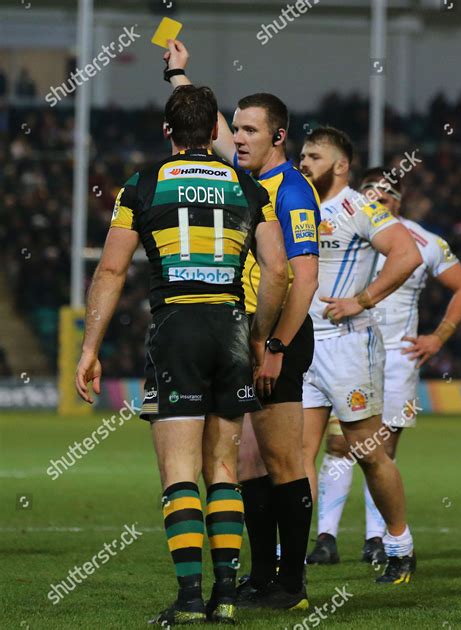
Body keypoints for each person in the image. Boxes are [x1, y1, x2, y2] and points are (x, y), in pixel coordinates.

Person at [75, 84, 289, 625]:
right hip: (231, 327)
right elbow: (278, 271)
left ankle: (191, 600)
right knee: (222, 468)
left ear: (168, 131)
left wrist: (89, 349)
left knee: (178, 469)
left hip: (177, 329)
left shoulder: (142, 186)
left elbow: (110, 271)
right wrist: (260, 335)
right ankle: (226, 598)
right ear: (214, 131)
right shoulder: (249, 186)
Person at [163, 40, 320, 609]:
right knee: (250, 461)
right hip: (248, 337)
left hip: (280, 339)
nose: (240, 140)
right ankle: (260, 576)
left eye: (251, 132)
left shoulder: (293, 191)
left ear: (278, 137)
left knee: (282, 460)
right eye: (238, 132)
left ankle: (294, 584)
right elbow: (204, 129)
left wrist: (276, 344)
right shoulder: (244, 180)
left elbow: (304, 279)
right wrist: (179, 74)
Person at [312, 166, 461, 565]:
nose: (377, 199)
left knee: (378, 449)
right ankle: (325, 538)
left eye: (385, 194)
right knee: (337, 444)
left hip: (396, 361)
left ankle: (376, 539)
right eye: (370, 192)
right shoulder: (341, 225)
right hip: (344, 348)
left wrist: (439, 336)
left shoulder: (422, 241)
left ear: (398, 202)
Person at [299, 127, 423, 584]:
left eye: (314, 155)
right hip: (304, 346)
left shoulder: (359, 207)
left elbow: (406, 254)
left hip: (349, 344)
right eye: (303, 154)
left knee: (368, 452)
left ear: (340, 165)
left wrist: (363, 299)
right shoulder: (299, 203)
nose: (304, 162)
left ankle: (399, 548)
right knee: (298, 456)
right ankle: (289, 556)